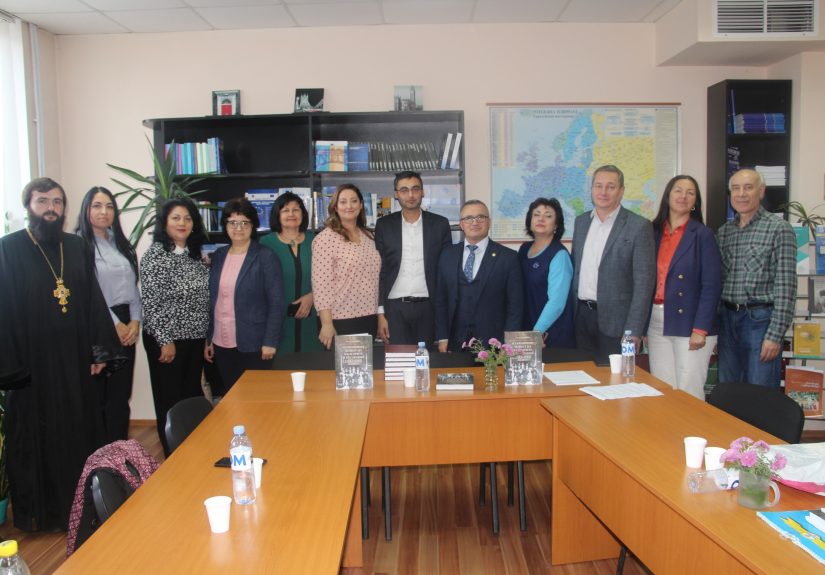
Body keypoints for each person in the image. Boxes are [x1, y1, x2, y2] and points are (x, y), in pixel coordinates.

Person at [0, 177, 121, 532]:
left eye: (57, 202)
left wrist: (99, 351)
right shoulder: (9, 248)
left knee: (78, 431)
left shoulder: (76, 246)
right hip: (33, 366)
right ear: (28, 206)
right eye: (42, 201)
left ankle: (83, 504)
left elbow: (92, 299)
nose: (50, 208)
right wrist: (12, 366)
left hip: (74, 360)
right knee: (38, 438)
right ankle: (44, 513)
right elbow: (4, 308)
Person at [140, 198, 210, 455]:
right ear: (165, 223)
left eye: (188, 218)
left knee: (190, 396)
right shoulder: (155, 256)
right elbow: (152, 302)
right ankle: (173, 456)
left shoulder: (193, 255)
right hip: (167, 341)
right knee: (169, 400)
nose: (182, 223)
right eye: (176, 218)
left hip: (194, 339)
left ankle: (192, 452)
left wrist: (205, 337)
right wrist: (164, 340)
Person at [717, 168, 796, 389]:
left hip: (759, 321)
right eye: (736, 188)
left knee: (760, 392)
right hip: (727, 320)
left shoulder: (779, 228)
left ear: (761, 192)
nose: (741, 194)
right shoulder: (724, 232)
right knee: (729, 390)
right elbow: (718, 281)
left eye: (748, 188)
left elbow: (786, 287)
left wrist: (775, 335)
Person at [646, 176, 721, 400]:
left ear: (695, 201)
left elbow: (711, 286)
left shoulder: (703, 235)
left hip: (690, 323)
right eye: (678, 190)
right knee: (663, 390)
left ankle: (694, 427)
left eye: (690, 193)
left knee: (689, 391)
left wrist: (700, 329)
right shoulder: (653, 232)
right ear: (668, 196)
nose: (683, 196)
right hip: (656, 320)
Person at [75, 186, 141, 442]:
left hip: (127, 323)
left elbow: (132, 288)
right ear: (86, 210)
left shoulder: (120, 243)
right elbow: (88, 292)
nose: (104, 211)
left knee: (120, 397)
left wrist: (135, 321)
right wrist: (114, 324)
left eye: (109, 206)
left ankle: (120, 455)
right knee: (100, 398)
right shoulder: (77, 245)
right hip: (98, 326)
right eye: (97, 206)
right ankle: (100, 458)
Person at [571, 164, 656, 364]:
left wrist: (634, 330)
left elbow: (644, 284)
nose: (603, 192)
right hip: (581, 318)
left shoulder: (639, 226)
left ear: (621, 191)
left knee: (615, 379)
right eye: (598, 186)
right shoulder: (581, 222)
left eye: (611, 186)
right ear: (592, 189)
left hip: (618, 324)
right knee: (583, 377)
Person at [205, 198, 284, 393]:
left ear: (253, 225)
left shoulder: (266, 256)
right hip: (221, 341)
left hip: (254, 343)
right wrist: (210, 338)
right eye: (232, 222)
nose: (238, 228)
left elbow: (277, 302)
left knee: (255, 398)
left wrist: (270, 341)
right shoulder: (219, 255)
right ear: (225, 225)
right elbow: (214, 299)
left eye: (244, 222)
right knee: (231, 396)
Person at [375, 171, 452, 345]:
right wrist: (381, 313)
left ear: (423, 192)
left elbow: (445, 271)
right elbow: (381, 271)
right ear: (396, 194)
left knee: (427, 359)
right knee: (399, 359)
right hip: (394, 308)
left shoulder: (440, 224)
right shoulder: (384, 225)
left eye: (415, 189)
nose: (410, 195)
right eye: (404, 190)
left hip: (428, 307)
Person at [435, 200, 523, 352]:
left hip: (494, 343)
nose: (474, 222)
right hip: (455, 341)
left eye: (480, 217)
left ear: (489, 222)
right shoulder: (447, 255)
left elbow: (515, 306)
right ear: (461, 224)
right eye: (468, 218)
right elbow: (440, 300)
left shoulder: (508, 257)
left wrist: (508, 342)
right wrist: (442, 337)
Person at [311, 184, 381, 349]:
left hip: (369, 316)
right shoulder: (325, 239)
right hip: (339, 319)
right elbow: (321, 285)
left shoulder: (369, 236)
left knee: (366, 366)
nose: (349, 206)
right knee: (340, 366)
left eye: (354, 201)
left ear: (361, 205)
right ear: (335, 207)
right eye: (343, 202)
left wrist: (379, 315)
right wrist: (326, 323)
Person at [260, 192, 322, 352]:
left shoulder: (316, 241)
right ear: (277, 214)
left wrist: (313, 296)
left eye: (296, 210)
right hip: (278, 323)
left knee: (314, 363)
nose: (291, 214)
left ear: (303, 213)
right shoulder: (266, 243)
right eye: (285, 210)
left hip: (313, 320)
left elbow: (330, 277)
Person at [519, 198, 575, 348]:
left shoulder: (559, 255)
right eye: (536, 214)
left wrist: (536, 332)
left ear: (556, 225)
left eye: (548, 216)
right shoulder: (524, 249)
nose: (541, 219)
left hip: (549, 332)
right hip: (527, 327)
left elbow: (557, 302)